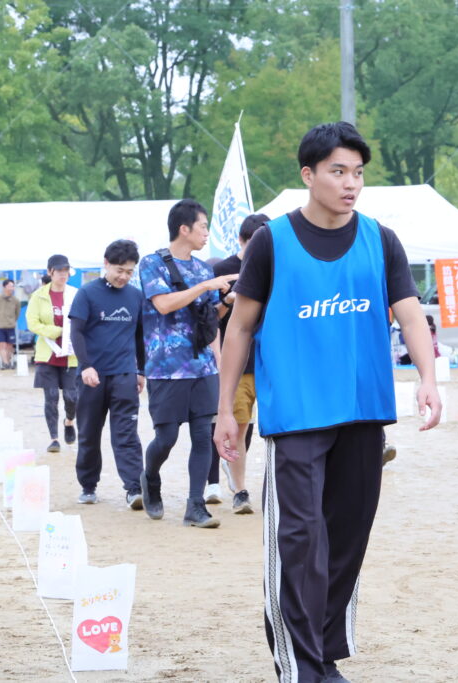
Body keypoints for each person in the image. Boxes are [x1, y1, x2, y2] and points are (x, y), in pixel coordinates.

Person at [214, 121, 441, 682]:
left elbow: (410, 314)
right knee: (299, 541)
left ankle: (325, 653)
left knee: (347, 538)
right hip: (296, 417)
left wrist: (429, 378)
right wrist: (224, 410)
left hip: (363, 412)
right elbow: (239, 328)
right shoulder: (272, 242)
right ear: (308, 175)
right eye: (338, 171)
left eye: (358, 173)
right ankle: (299, 665)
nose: (350, 183)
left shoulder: (380, 240)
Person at [138, 199, 238, 528]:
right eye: (203, 226)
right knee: (166, 438)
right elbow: (164, 305)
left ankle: (195, 506)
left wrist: (227, 300)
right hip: (166, 367)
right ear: (184, 229)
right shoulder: (152, 263)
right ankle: (150, 478)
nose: (207, 233)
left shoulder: (203, 269)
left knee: (202, 435)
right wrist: (204, 286)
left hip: (202, 366)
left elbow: (210, 318)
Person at [69, 240, 146, 507]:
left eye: (129, 271)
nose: (124, 276)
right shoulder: (87, 293)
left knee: (126, 434)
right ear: (106, 264)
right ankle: (88, 485)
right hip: (92, 376)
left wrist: (141, 370)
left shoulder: (136, 296)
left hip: (124, 374)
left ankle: (135, 488)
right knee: (89, 433)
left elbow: (140, 336)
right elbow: (76, 333)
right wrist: (86, 365)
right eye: (119, 270)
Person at [205, 212, 270, 513]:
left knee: (275, 428)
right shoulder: (222, 271)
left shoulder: (276, 267)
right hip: (238, 365)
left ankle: (268, 488)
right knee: (237, 428)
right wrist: (219, 357)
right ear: (242, 240)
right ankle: (240, 489)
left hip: (270, 362)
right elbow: (209, 321)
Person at [26, 255, 79, 453]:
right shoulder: (38, 296)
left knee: (72, 397)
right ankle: (54, 438)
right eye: (59, 271)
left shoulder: (75, 294)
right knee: (51, 396)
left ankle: (69, 421)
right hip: (47, 354)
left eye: (66, 271)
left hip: (71, 354)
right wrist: (56, 331)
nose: (63, 275)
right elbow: (32, 323)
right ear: (50, 272)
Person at [0, 279, 21, 370]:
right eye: (10, 286)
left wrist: (12, 320)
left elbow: (17, 313)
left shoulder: (16, 300)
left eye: (13, 286)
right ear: (4, 287)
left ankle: (9, 361)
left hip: (10, 326)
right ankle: (5, 363)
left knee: (10, 345)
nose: (12, 288)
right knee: (2, 344)